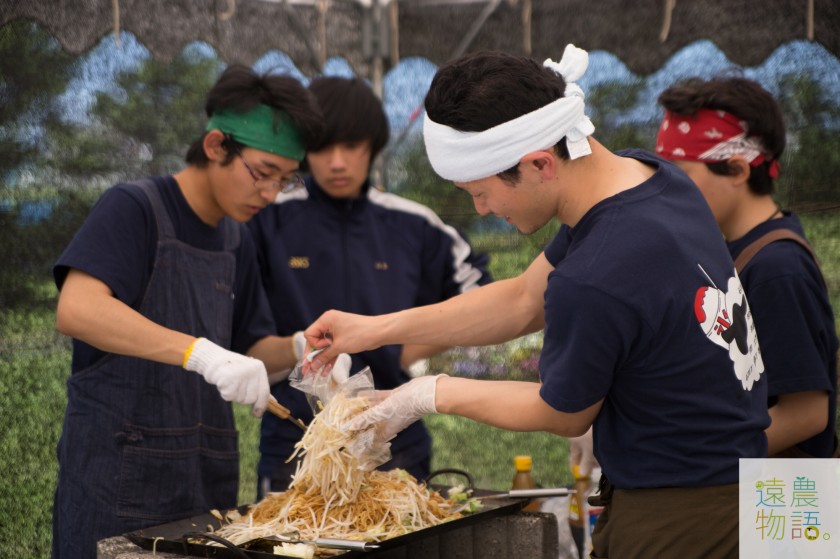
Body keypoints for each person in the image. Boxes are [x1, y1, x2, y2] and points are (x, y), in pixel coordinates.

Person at [302, 46, 771, 558]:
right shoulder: (652, 178)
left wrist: (424, 394)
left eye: (479, 192)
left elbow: (563, 412)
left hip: (684, 515)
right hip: (748, 481)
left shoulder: (597, 271)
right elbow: (524, 299)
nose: (481, 208)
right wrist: (374, 329)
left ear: (540, 163)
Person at [50, 64, 323, 559]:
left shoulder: (235, 239)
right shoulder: (133, 208)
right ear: (217, 145)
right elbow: (78, 308)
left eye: (284, 180)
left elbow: (250, 349)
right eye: (262, 173)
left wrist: (304, 347)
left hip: (203, 488)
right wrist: (199, 354)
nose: (269, 193)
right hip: (118, 484)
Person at [247, 76, 492, 497]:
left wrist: (404, 350)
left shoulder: (413, 224)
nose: (337, 162)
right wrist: (293, 349)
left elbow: (481, 294)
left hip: (394, 435)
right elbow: (240, 328)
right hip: (296, 439)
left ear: (373, 146)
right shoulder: (265, 223)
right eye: (323, 148)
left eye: (352, 147)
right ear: (304, 151)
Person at [656, 75, 839, 458]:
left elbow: (807, 414)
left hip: (782, 498)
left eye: (681, 176)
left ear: (738, 170)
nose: (665, 190)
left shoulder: (777, 268)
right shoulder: (738, 252)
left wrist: (699, 461)